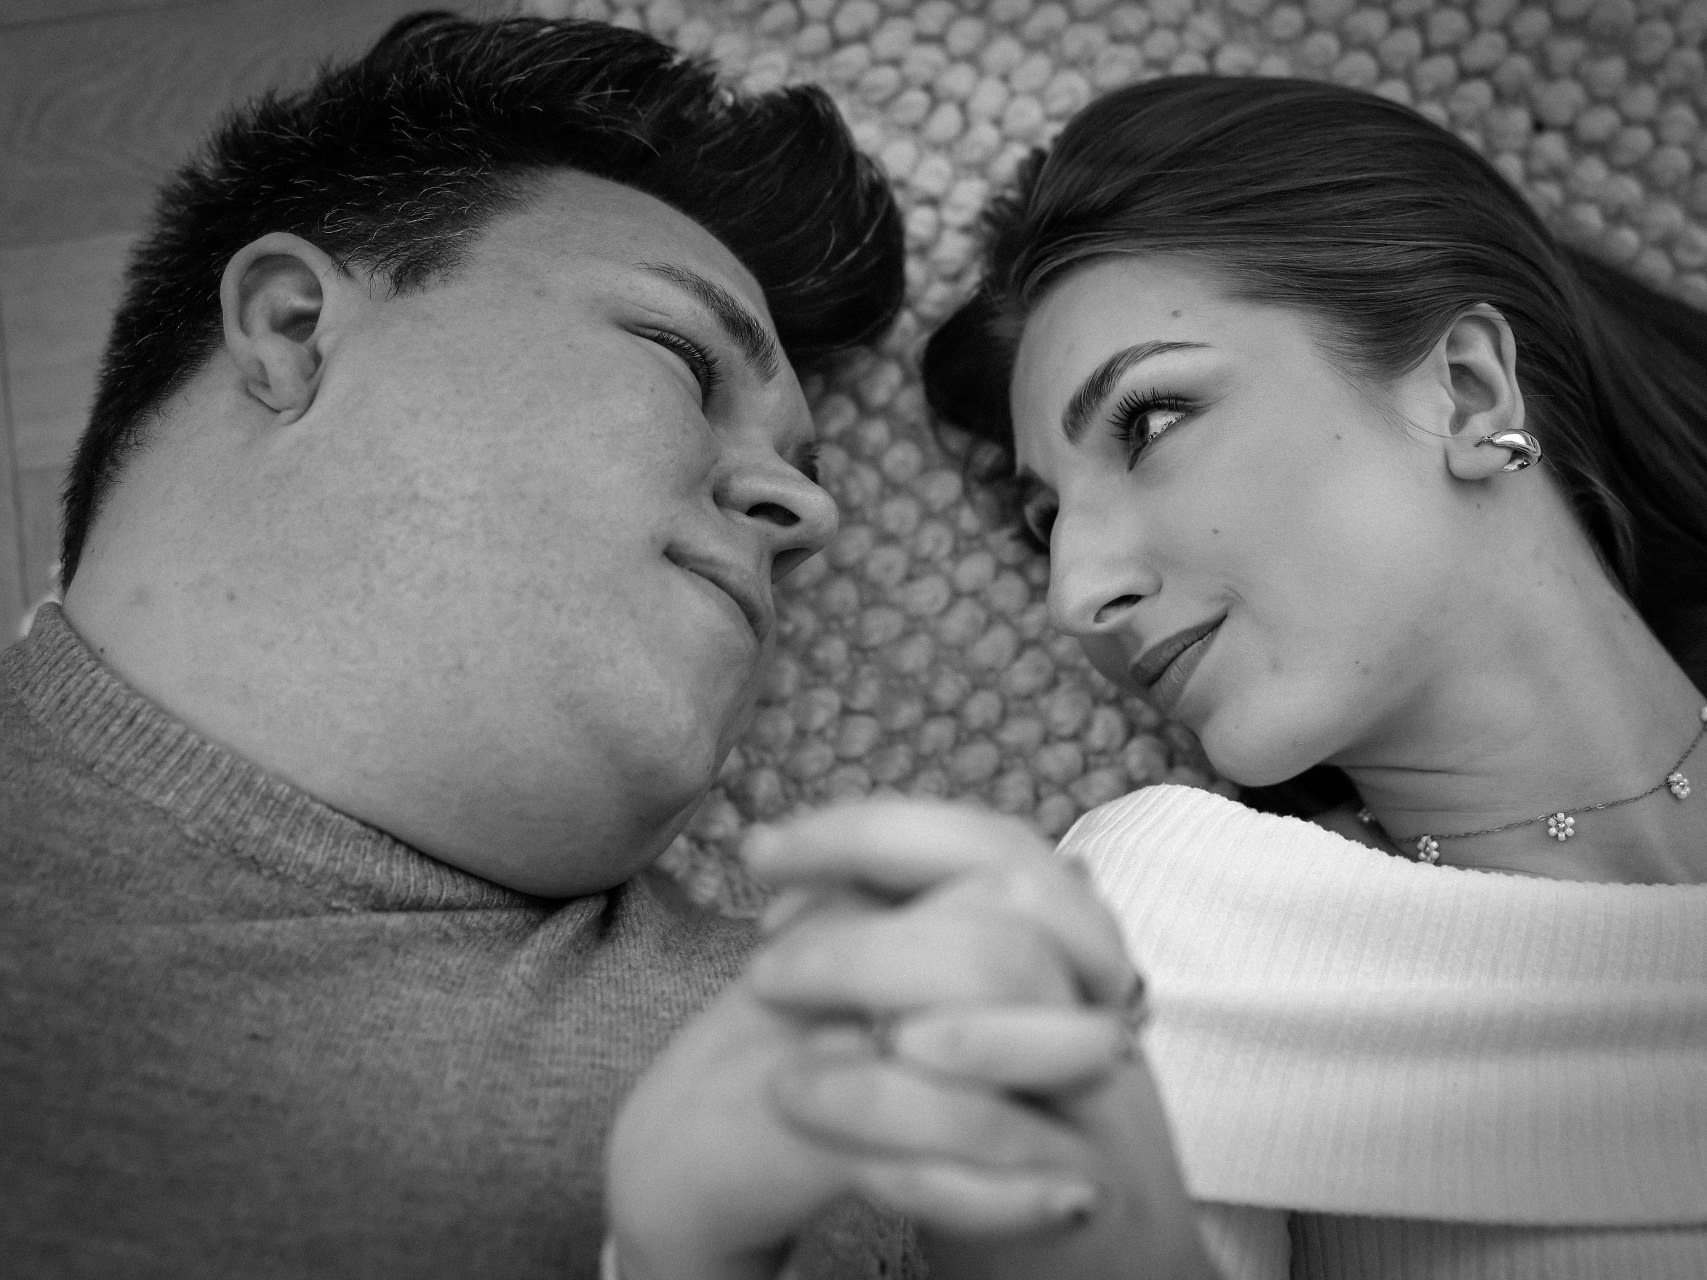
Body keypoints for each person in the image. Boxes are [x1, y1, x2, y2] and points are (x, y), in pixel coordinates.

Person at [1, 11, 1169, 1277]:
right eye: (682, 359)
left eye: (808, 472)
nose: (810, 515)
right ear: (292, 327)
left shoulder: (872, 1089)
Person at [875, 73, 1707, 1276]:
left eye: (1149, 422)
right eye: (1045, 518)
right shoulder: (1173, 933)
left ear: (1470, 394)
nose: (1074, 593)